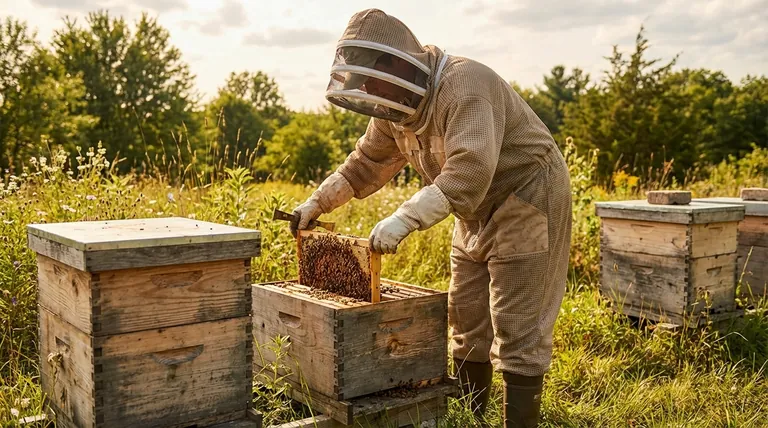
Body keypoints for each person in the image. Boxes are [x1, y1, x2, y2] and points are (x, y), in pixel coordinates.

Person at [289, 8, 572, 427]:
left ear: (395, 61)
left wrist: (405, 218)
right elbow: (366, 162)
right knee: (466, 313)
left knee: (517, 322)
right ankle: (470, 416)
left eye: (370, 75)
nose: (365, 87)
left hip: (526, 196)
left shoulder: (465, 86)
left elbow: (470, 171)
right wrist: (318, 202)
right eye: (358, 79)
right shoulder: (394, 109)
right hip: (470, 208)